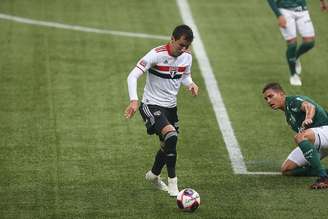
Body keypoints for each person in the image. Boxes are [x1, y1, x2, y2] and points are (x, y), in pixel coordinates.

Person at [124, 24, 199, 197]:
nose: (183, 49)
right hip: (151, 105)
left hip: (171, 108)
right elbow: (132, 76)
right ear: (172, 39)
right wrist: (134, 101)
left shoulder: (186, 57)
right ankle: (173, 183)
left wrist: (190, 84)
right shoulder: (156, 54)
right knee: (171, 136)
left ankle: (153, 175)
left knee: (168, 144)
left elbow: (185, 76)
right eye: (181, 44)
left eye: (186, 46)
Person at [262, 82, 328, 189]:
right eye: (266, 99)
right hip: (318, 139)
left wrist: (308, 118)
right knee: (287, 170)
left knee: (300, 137)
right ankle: (324, 171)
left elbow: (309, 106)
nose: (269, 101)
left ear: (281, 94)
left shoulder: (293, 101)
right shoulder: (288, 116)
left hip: (325, 130)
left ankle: (324, 178)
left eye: (270, 96)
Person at [267, 0, 328, 86]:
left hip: (302, 10)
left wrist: (322, 2)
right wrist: (279, 15)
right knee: (292, 43)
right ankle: (293, 75)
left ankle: (295, 57)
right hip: (285, 10)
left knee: (309, 42)